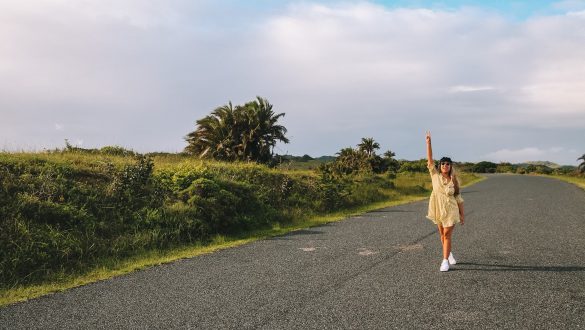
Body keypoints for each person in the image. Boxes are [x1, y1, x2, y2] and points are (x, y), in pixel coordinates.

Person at [425, 131, 465, 272]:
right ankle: (449, 253)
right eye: (443, 163)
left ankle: (445, 261)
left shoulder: (454, 180)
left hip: (451, 210)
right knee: (442, 235)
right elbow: (430, 160)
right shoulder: (434, 175)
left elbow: (459, 199)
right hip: (438, 208)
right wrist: (429, 143)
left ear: (450, 166)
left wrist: (462, 215)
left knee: (447, 235)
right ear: (440, 165)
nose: (445, 165)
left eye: (447, 164)